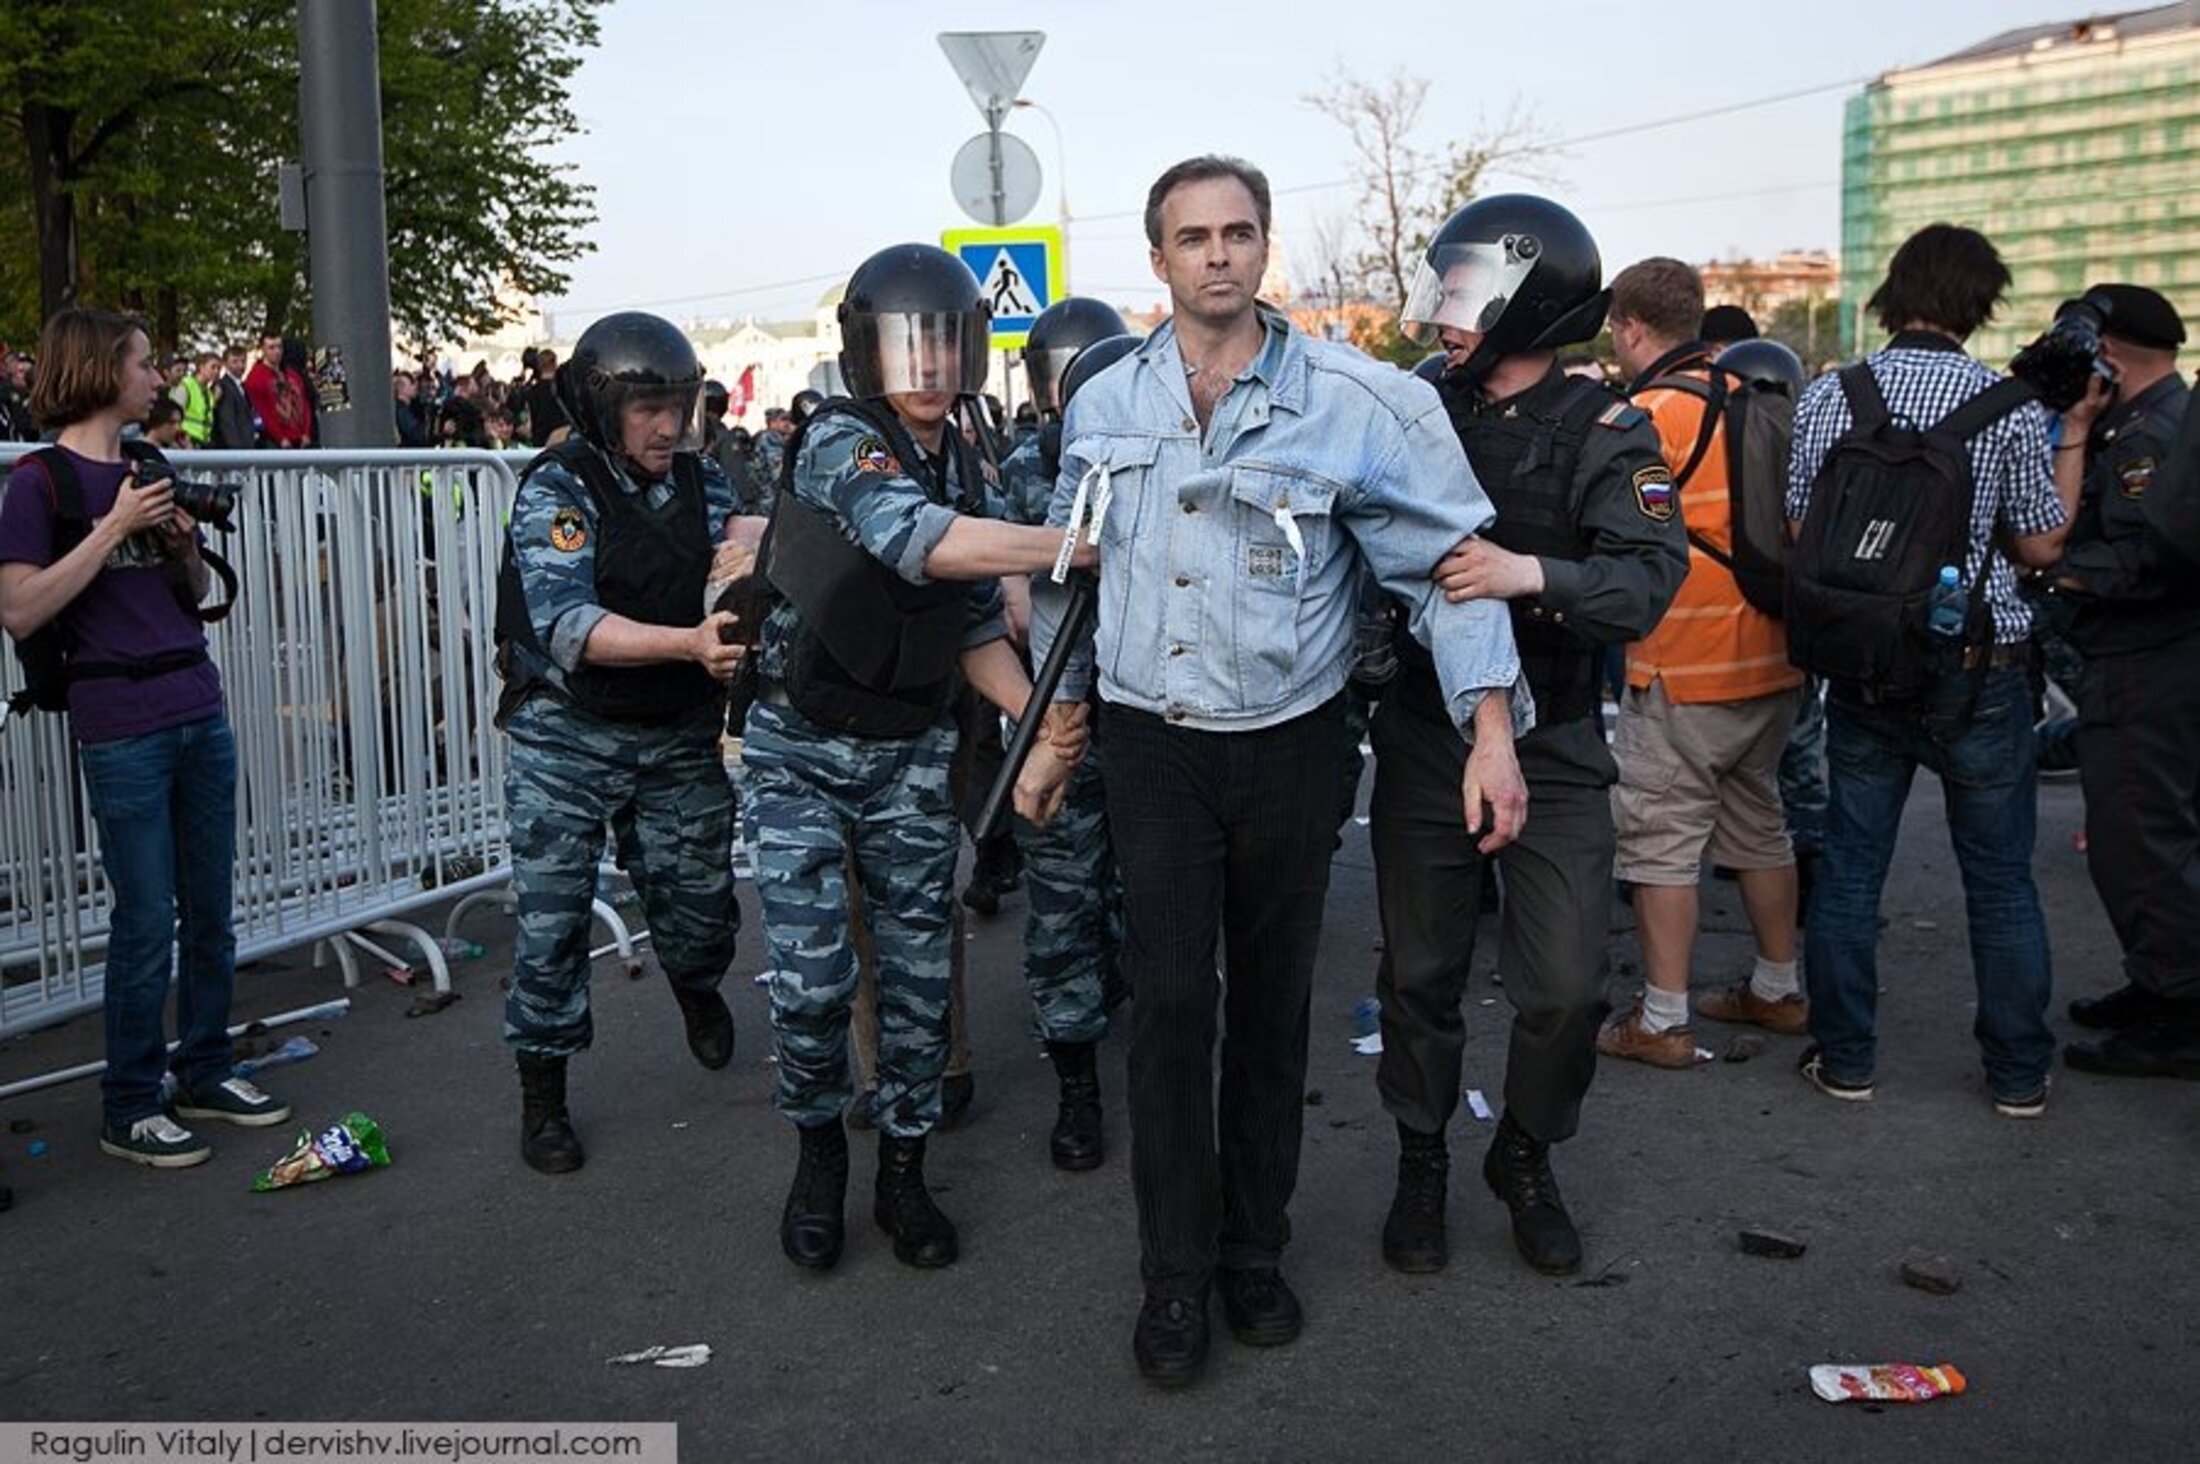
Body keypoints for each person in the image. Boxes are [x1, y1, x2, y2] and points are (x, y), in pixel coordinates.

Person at [1018, 156, 1528, 1390]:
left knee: (1267, 1006)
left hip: (1291, 745)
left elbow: (1451, 569)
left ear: (1263, 247)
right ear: (1157, 259)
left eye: (1237, 232)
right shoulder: (1103, 401)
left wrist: (1491, 731)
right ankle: (1173, 1275)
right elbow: (1067, 574)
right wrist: (1056, 726)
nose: (1217, 254)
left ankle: (1254, 1252)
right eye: (1192, 236)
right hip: (1151, 743)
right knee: (1167, 1009)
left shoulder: (1359, 404)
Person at [746, 242, 1092, 1276]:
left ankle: (903, 1172)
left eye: (944, 341)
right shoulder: (839, 439)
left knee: (915, 985)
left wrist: (1044, 723)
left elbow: (973, 623)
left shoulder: (969, 459)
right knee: (812, 983)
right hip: (802, 750)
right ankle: (819, 1158)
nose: (929, 364)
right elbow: (921, 543)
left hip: (908, 752)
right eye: (907, 344)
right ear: (867, 351)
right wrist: (1075, 545)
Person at [1377, 198, 1687, 1282]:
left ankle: (1523, 1152)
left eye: (1466, 294)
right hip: (1424, 731)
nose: (1445, 317)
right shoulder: (1419, 406)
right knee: (1419, 972)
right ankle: (1421, 1158)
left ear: (1529, 303)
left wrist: (1529, 575)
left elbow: (1646, 583)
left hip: (1550, 742)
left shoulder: (1607, 433)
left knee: (1562, 989)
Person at [1786, 223, 2076, 1116]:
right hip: (1980, 670)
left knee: (1850, 868)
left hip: (1864, 663)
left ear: (1894, 293)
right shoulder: (2008, 405)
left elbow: (1801, 530)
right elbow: (2041, 544)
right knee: (1999, 878)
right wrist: (2077, 432)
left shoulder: (1832, 395)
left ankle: (1847, 1062)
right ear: (1980, 303)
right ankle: (2018, 1076)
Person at [0, 308, 288, 1167]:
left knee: (211, 912)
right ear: (99, 370)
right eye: (143, 364)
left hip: (196, 701)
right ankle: (129, 1103)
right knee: (143, 921)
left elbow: (191, 592)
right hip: (120, 720)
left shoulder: (149, 466)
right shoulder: (38, 483)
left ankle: (205, 1068)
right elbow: (19, 609)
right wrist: (114, 528)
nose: (158, 379)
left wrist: (184, 546)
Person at [490, 311, 747, 1174]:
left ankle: (696, 984)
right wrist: (689, 644)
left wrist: (757, 557)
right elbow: (569, 625)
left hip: (674, 733)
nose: (668, 426)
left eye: (678, 405)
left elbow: (734, 547)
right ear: (604, 409)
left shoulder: (701, 482)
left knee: (701, 911)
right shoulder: (559, 490)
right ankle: (543, 1093)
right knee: (553, 924)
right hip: (566, 738)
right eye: (647, 409)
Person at [1596, 258, 1805, 1067]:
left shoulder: (1650, 415)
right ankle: (1778, 988)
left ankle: (1662, 1019)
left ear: (1631, 328)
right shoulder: (1754, 393)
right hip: (1774, 659)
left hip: (1682, 666)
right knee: (1760, 827)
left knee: (1661, 843)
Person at [991, 298, 1134, 1172]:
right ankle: (1077, 1080)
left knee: (1157, 900)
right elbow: (1014, 590)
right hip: (1059, 708)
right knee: (1062, 900)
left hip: (1153, 716)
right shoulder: (1026, 468)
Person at [2044, 285, 2200, 1080]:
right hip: (2141, 659)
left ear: (2107, 353)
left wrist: (2058, 572)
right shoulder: (2137, 422)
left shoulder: (2153, 436)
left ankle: (2180, 1014)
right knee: (2133, 837)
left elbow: (2152, 559)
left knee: (2144, 837)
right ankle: (2158, 983)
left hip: (2150, 659)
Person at [243, 333, 309, 448]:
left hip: (300, 439)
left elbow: (305, 405)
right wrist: (280, 438)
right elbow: (262, 412)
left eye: (279, 347)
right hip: (274, 442)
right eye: (271, 347)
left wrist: (306, 433)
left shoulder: (293, 375)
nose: (277, 351)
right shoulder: (256, 377)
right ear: (263, 349)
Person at [212, 345, 255, 450]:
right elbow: (227, 422)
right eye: (235, 361)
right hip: (233, 449)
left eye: (243, 361)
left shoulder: (243, 387)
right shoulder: (223, 387)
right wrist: (236, 450)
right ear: (225, 364)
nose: (240, 365)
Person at [525, 348, 567, 447]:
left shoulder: (531, 391)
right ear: (554, 364)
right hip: (561, 440)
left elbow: (530, 421)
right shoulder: (563, 388)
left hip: (540, 440)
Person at [177, 354, 219, 448]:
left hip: (203, 441)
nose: (216, 371)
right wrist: (183, 438)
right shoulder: (187, 385)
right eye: (213, 367)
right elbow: (175, 415)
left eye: (218, 368)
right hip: (187, 440)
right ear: (201, 367)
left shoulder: (208, 392)